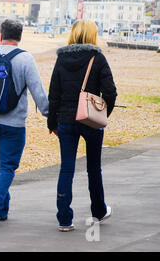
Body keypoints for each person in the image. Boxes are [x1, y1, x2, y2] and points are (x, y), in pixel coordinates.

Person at [0, 19, 49, 226]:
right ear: (20, 36)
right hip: (14, 124)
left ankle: (1, 211)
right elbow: (37, 90)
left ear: (0, 34)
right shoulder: (26, 59)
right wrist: (48, 113)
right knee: (7, 167)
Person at [47, 20, 117, 232]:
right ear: (92, 35)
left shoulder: (61, 58)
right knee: (94, 168)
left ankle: (64, 219)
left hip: (66, 121)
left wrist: (52, 123)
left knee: (66, 168)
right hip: (91, 121)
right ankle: (98, 211)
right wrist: (102, 116)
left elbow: (54, 94)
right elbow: (111, 92)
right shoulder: (97, 57)